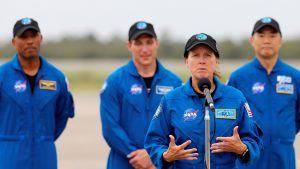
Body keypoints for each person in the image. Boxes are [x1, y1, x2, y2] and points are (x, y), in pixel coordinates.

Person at [144, 33, 262, 169]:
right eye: (195, 55)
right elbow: (154, 141)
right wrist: (165, 156)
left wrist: (243, 148)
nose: (202, 61)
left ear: (216, 60)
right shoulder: (171, 100)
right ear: (186, 61)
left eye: (207, 55)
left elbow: (254, 139)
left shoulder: (236, 98)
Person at [100, 21, 182, 169]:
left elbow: (179, 125)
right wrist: (137, 156)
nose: (144, 49)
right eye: (138, 43)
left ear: (156, 43)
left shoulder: (174, 83)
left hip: (161, 162)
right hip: (125, 161)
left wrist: (155, 155)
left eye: (149, 42)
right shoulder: (114, 81)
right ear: (129, 45)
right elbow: (110, 127)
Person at [0, 17, 74, 169]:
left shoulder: (57, 78)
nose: (29, 41)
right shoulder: (2, 76)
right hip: (9, 155)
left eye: (33, 36)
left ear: (40, 38)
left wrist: (43, 138)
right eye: (23, 37)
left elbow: (62, 115)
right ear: (14, 42)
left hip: (44, 154)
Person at [227, 17, 300, 169]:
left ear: (280, 40)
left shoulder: (295, 77)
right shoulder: (238, 77)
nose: (267, 40)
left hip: (283, 157)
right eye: (261, 35)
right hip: (250, 158)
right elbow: (229, 117)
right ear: (252, 40)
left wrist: (282, 135)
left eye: (272, 36)